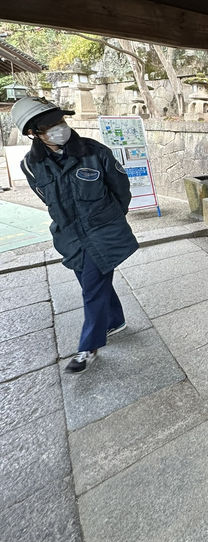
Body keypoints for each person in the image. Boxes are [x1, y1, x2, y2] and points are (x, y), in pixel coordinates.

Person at [11, 97, 138, 373]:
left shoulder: (95, 152)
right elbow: (47, 199)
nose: (59, 128)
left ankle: (88, 346)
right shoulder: (30, 165)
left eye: (60, 120)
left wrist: (110, 219)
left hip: (101, 233)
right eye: (49, 126)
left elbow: (121, 189)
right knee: (92, 284)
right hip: (69, 238)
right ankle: (115, 320)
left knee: (92, 288)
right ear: (33, 133)